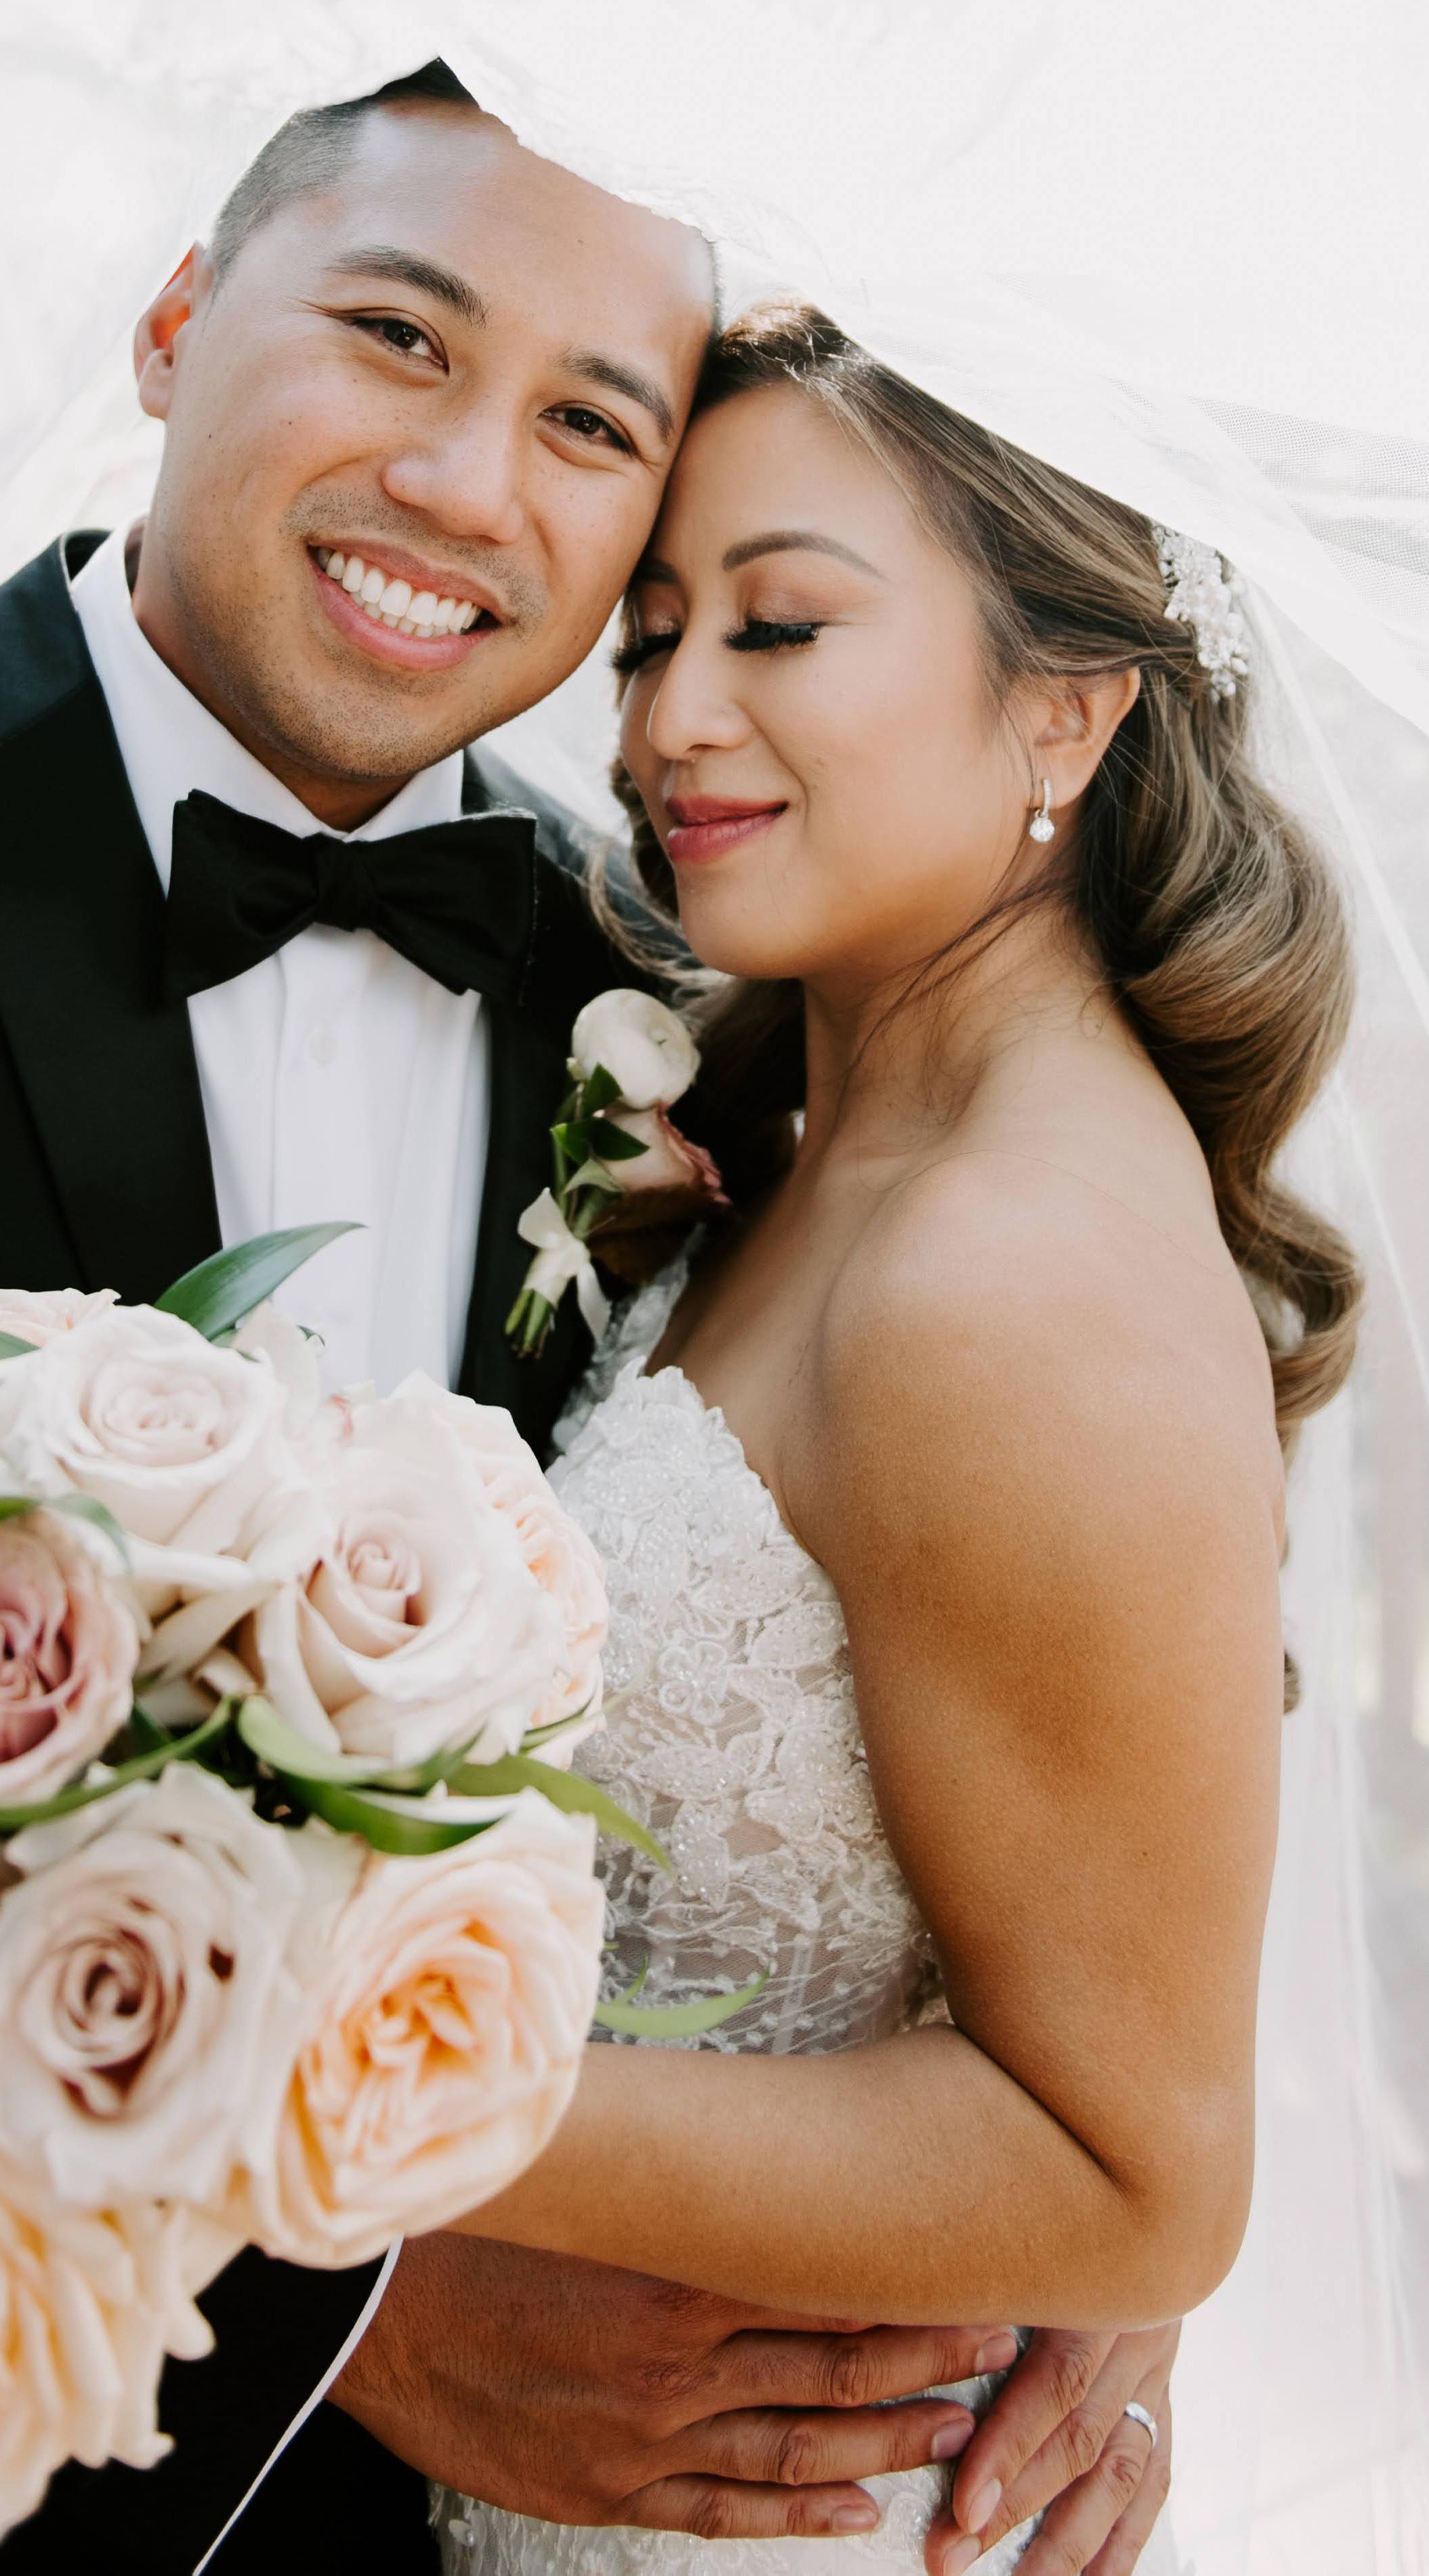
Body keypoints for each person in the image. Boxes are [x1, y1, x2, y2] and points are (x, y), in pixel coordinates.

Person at [0, 82, 1181, 2573]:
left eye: (588, 426)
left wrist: (1069, 2191)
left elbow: (1023, 1550)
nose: (465, 481)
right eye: (395, 335)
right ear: (178, 321)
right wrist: (334, 2285)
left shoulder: (669, 962)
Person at [430, 304, 1360, 2575]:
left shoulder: (1012, 1275)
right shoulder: (812, 1128)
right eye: (651, 634)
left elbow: (1136, 2171)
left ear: (1069, 696)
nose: (666, 721)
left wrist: (341, 2091)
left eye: (782, 621)